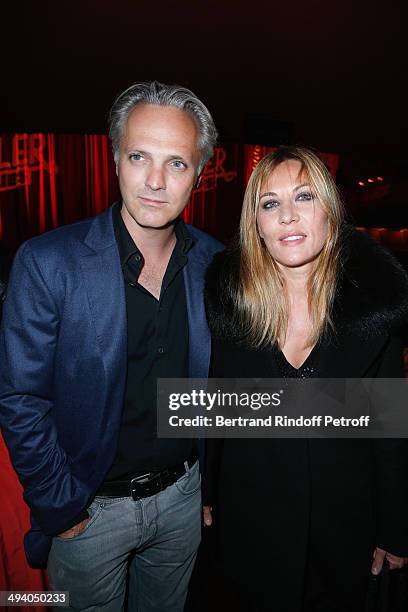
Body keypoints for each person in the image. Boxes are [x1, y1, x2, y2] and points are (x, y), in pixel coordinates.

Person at [0, 81, 223, 611]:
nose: (154, 180)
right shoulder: (47, 261)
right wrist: (62, 506)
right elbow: (19, 399)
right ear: (116, 159)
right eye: (139, 156)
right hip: (89, 513)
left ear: (199, 173)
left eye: (176, 163)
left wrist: (209, 488)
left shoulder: (218, 266)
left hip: (183, 504)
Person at [203, 146, 408, 612]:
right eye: (270, 203)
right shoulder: (229, 303)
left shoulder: (372, 308)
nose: (288, 217)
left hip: (345, 526)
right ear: (256, 223)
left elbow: (390, 431)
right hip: (251, 518)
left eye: (304, 197)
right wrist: (208, 493)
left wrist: (395, 529)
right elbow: (219, 403)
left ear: (330, 212)